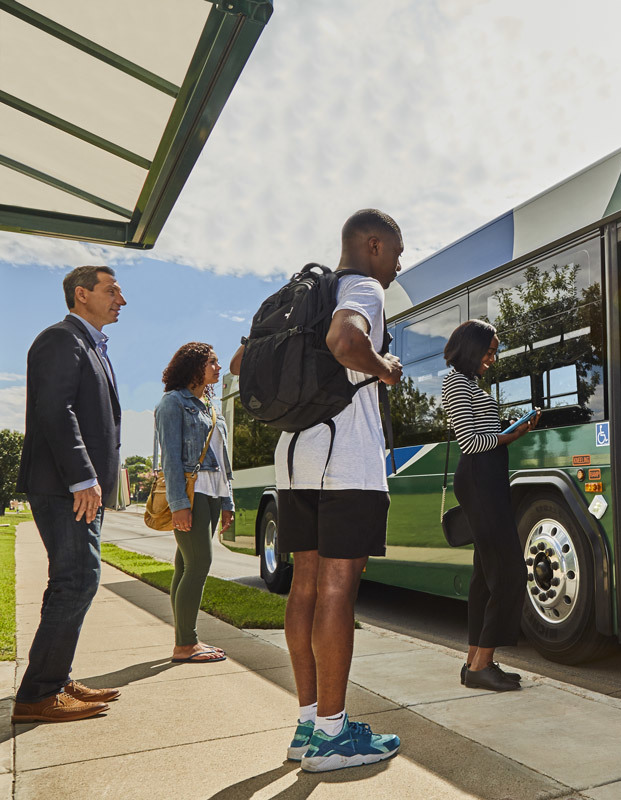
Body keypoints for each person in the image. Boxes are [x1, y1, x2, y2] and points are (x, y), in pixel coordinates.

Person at [233, 209, 405, 773]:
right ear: (373, 245)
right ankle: (334, 735)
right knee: (337, 590)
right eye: (396, 254)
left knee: (303, 587)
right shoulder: (361, 288)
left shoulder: (300, 291)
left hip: (294, 457)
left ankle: (309, 724)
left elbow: (239, 363)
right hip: (346, 459)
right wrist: (383, 367)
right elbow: (344, 338)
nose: (397, 266)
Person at [13, 266, 125, 723]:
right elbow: (56, 410)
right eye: (111, 290)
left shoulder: (90, 346)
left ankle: (54, 679)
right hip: (65, 487)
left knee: (75, 579)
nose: (121, 299)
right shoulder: (60, 339)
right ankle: (38, 695)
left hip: (77, 489)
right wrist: (83, 477)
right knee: (76, 580)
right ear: (81, 295)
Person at [442, 320, 540, 692]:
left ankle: (475, 664)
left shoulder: (470, 384)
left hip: (490, 479)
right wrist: (507, 436)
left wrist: (512, 435)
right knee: (510, 570)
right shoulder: (455, 382)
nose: (493, 358)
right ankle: (482, 664)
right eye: (489, 350)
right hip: (480, 480)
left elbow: (483, 437)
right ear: (471, 348)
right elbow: (469, 441)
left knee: (485, 575)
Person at [154, 342, 235, 665]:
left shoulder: (209, 406)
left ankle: (183, 638)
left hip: (213, 494)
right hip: (192, 495)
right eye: (212, 362)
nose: (218, 367)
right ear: (194, 366)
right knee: (199, 564)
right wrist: (178, 504)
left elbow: (224, 461)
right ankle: (186, 644)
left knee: (184, 566)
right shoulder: (173, 404)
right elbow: (171, 459)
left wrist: (228, 500)